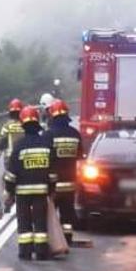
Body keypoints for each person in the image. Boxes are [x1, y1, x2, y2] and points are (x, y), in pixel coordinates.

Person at [4, 106, 55, 261]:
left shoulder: (19, 146)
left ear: (23, 125)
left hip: (23, 193)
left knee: (24, 222)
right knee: (40, 222)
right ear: (37, 123)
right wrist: (51, 190)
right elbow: (52, 173)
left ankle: (25, 252)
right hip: (41, 191)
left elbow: (11, 175)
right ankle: (41, 252)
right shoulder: (45, 144)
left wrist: (10, 193)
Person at [44, 99, 83, 249]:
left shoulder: (48, 135)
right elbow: (80, 157)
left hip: (53, 185)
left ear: (52, 116)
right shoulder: (75, 134)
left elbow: (45, 158)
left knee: (49, 215)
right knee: (67, 214)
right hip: (70, 184)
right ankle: (67, 238)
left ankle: (51, 242)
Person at [0, 98, 26, 210]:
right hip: (24, 157)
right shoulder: (26, 125)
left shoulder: (7, 126)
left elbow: (2, 143)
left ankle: (8, 200)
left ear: (10, 112)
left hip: (10, 159)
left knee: (7, 179)